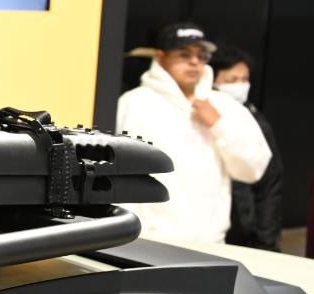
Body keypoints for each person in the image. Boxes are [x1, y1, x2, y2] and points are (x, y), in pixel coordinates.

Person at [116, 23, 272, 243]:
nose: (194, 62)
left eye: (201, 55)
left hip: (210, 243)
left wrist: (218, 124)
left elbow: (253, 168)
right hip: (146, 241)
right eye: (184, 54)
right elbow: (117, 174)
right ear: (160, 58)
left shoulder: (225, 107)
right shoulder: (133, 104)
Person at [209, 44, 284, 251]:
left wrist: (265, 239)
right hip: (210, 228)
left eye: (245, 79)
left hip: (245, 230)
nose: (240, 86)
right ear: (213, 79)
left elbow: (270, 182)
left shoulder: (255, 120)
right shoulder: (198, 113)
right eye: (232, 80)